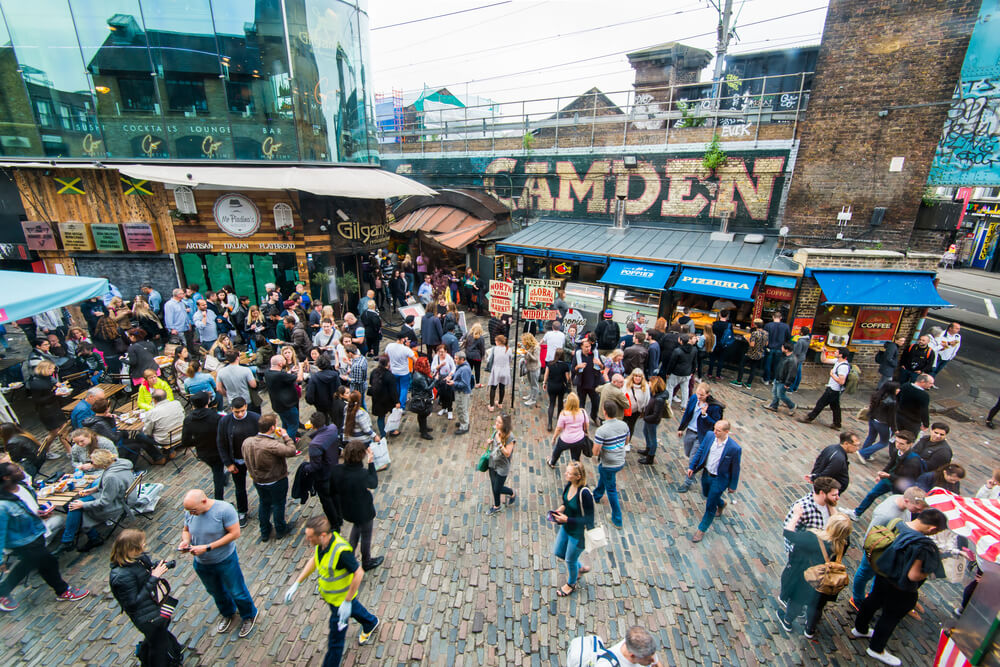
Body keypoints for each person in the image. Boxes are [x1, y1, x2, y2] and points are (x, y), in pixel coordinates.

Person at [850, 508, 949, 667]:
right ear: (932, 529)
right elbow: (913, 576)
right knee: (890, 617)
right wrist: (928, 571)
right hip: (901, 587)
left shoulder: (897, 524)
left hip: (883, 575)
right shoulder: (923, 547)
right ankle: (876, 649)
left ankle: (860, 629)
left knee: (873, 601)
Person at [283, 515, 380, 666]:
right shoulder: (321, 544)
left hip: (340, 602)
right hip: (334, 599)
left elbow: (359, 573)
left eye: (309, 537)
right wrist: (297, 582)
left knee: (335, 642)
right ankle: (370, 622)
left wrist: (346, 602)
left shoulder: (341, 552)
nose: (307, 540)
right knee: (354, 609)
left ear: (322, 535)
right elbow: (315, 560)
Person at [0, 462, 90, 611]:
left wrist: (42, 514)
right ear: (6, 477)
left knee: (31, 565)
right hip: (22, 542)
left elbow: (30, 509)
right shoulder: (2, 505)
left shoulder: (23, 487)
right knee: (49, 562)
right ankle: (63, 590)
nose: (20, 470)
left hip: (37, 532)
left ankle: (3, 591)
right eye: (16, 470)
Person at [180, 489, 258, 638]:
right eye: (188, 511)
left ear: (203, 501)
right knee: (215, 592)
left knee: (237, 591)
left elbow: (235, 534)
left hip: (225, 560)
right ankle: (227, 613)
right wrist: (186, 541)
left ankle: (248, 615)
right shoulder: (190, 512)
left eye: (193, 510)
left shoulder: (224, 510)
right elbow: (186, 530)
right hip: (202, 563)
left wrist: (207, 547)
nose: (191, 513)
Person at [109, 529, 183, 667]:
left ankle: (173, 652)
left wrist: (157, 566)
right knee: (158, 647)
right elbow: (133, 603)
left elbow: (144, 572)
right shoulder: (121, 576)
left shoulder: (137, 559)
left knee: (157, 639)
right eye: (142, 544)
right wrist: (154, 577)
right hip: (147, 618)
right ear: (132, 549)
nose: (145, 546)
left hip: (154, 608)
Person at [848, 486, 928, 610]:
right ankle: (857, 600)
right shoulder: (886, 515)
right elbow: (871, 535)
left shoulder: (900, 501)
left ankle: (873, 596)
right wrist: (870, 554)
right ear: (907, 501)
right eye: (916, 508)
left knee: (879, 576)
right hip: (877, 550)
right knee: (864, 573)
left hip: (888, 550)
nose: (917, 512)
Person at [777, 507, 852, 637]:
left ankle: (787, 621)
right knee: (817, 606)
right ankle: (809, 629)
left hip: (808, 579)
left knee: (797, 601)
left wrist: (796, 515)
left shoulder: (813, 538)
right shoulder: (844, 541)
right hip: (826, 581)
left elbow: (788, 533)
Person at [53, 449, 134, 555]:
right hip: (115, 496)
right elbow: (108, 485)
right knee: (75, 505)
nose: (90, 464)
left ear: (101, 463)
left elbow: (105, 501)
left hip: (116, 503)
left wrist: (83, 505)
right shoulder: (119, 463)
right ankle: (76, 539)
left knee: (76, 507)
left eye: (92, 462)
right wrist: (93, 489)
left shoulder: (111, 476)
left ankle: (72, 540)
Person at [778, 477, 841, 603]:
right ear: (822, 493)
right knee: (792, 575)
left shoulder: (830, 505)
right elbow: (789, 530)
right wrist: (791, 551)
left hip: (818, 552)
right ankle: (785, 596)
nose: (837, 497)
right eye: (834, 494)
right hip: (802, 552)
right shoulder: (803, 507)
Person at [242, 413, 298, 541]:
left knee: (264, 504)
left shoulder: (247, 442)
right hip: (275, 480)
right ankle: (280, 528)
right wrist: (286, 436)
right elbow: (291, 451)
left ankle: (265, 531)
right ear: (272, 428)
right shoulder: (271, 445)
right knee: (278, 504)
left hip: (258, 480)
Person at [330, 440, 384, 571]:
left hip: (347, 509)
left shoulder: (336, 470)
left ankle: (348, 557)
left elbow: (332, 491)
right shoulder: (362, 474)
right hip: (363, 510)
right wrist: (371, 462)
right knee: (366, 535)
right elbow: (373, 483)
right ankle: (366, 561)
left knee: (356, 529)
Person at [846, 430, 923, 520]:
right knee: (872, 494)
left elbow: (907, 480)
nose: (897, 445)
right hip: (889, 479)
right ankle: (857, 513)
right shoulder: (896, 451)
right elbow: (890, 464)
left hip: (901, 486)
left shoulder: (914, 460)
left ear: (910, 444)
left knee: (899, 505)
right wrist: (882, 474)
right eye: (896, 442)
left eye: (901, 444)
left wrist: (888, 476)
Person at [686, 420, 742, 542]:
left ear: (726, 432)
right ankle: (721, 503)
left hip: (719, 479)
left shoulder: (734, 448)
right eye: (715, 428)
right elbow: (701, 451)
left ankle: (701, 530)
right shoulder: (710, 436)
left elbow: (736, 468)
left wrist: (733, 485)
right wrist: (692, 467)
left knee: (710, 505)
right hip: (706, 474)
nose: (715, 431)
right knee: (706, 494)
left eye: (718, 430)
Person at [552, 461, 595, 598]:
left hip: (578, 534)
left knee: (570, 560)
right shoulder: (569, 485)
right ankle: (580, 567)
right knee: (559, 551)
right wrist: (560, 509)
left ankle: (571, 584)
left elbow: (589, 519)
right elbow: (566, 503)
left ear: (577, 476)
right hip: (566, 528)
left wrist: (567, 519)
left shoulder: (585, 494)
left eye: (569, 473)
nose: (565, 474)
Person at [217, 398, 259, 528]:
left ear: (246, 406)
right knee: (239, 488)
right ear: (231, 410)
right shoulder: (225, 421)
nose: (240, 414)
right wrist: (228, 463)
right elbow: (221, 443)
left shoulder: (255, 418)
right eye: (236, 412)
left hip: (253, 459)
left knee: (260, 484)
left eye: (242, 411)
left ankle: (267, 506)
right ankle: (242, 511)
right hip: (236, 460)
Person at [179, 391, 224, 499]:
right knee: (218, 475)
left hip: (203, 452)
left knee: (217, 471)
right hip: (217, 451)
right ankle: (219, 500)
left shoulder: (189, 419)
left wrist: (198, 441)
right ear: (207, 402)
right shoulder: (216, 417)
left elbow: (185, 441)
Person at [799, 347, 850, 430]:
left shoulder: (843, 367)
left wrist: (832, 375)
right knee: (835, 407)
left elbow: (841, 381)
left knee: (821, 403)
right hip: (833, 389)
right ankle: (837, 423)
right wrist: (823, 352)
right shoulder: (837, 361)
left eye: (836, 352)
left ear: (841, 354)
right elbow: (824, 360)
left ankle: (810, 417)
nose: (834, 352)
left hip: (834, 389)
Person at [264, 354, 305, 439]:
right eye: (284, 360)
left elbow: (282, 377)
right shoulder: (280, 375)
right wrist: (301, 367)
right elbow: (299, 378)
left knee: (285, 423)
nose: (285, 361)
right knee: (293, 425)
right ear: (279, 364)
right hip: (287, 405)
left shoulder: (268, 372)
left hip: (278, 405)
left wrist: (290, 372)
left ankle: (287, 437)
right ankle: (289, 444)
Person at [858, 382, 900, 463]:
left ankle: (865, 454)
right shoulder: (892, 401)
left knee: (871, 437)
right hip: (882, 423)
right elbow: (892, 417)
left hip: (873, 419)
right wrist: (895, 429)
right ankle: (863, 453)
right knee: (884, 442)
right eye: (897, 388)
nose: (898, 390)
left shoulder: (877, 395)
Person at [485, 413, 517, 516]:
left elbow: (507, 453)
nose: (496, 423)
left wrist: (498, 442)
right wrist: (490, 441)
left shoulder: (510, 437)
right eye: (496, 421)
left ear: (505, 425)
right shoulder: (496, 430)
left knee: (497, 488)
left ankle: (511, 493)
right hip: (492, 463)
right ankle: (497, 506)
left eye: (499, 422)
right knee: (494, 486)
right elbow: (494, 445)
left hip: (502, 467)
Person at [548, 392, 589, 467]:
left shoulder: (564, 414)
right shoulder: (583, 412)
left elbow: (558, 428)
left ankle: (552, 462)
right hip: (579, 439)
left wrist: (554, 438)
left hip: (566, 439)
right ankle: (575, 467)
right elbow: (586, 425)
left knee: (557, 451)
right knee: (576, 456)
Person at [637, 376, 668, 465]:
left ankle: (650, 456)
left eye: (650, 382)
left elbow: (656, 414)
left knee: (652, 437)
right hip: (649, 419)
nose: (648, 384)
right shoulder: (656, 394)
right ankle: (648, 449)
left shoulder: (659, 399)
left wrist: (645, 418)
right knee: (646, 432)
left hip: (652, 420)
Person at [367, 355, 399, 438]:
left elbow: (371, 383)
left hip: (377, 398)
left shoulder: (374, 372)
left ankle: (383, 434)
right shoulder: (389, 375)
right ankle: (392, 430)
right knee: (392, 416)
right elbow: (393, 391)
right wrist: (397, 401)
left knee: (381, 417)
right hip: (388, 399)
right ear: (388, 363)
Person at [574, 339, 605, 422]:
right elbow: (573, 370)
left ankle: (593, 416)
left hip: (594, 384)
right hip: (582, 384)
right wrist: (578, 367)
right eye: (586, 347)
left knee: (596, 402)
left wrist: (600, 364)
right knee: (581, 404)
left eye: (590, 346)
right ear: (581, 347)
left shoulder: (595, 355)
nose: (588, 348)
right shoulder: (578, 356)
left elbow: (603, 367)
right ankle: (581, 420)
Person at [731, 319, 768, 388]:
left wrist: (748, 339)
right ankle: (749, 384)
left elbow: (752, 345)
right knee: (753, 368)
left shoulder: (755, 333)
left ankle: (739, 381)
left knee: (742, 365)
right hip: (759, 354)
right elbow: (766, 343)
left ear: (756, 325)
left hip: (751, 353)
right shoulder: (766, 333)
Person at [663, 333, 697, 405]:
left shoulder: (677, 351)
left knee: (670, 388)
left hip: (676, 372)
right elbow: (694, 362)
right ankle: (684, 405)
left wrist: (668, 373)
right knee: (685, 390)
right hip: (687, 372)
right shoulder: (694, 350)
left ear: (680, 341)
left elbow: (672, 363)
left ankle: (668, 404)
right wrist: (692, 372)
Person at [543, 348, 571, 432]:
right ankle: (559, 421)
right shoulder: (565, 365)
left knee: (551, 403)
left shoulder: (550, 364)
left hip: (551, 386)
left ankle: (550, 423)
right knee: (560, 404)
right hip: (560, 386)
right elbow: (567, 378)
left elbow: (546, 374)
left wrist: (544, 383)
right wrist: (569, 385)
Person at [764, 342, 797, 413]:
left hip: (783, 380)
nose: (781, 348)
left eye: (782, 347)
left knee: (781, 395)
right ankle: (774, 406)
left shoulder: (792, 360)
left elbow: (792, 373)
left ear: (787, 350)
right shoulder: (784, 355)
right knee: (775, 392)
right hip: (778, 377)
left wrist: (788, 383)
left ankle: (792, 405)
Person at [385, 334, 416, 408]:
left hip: (394, 371)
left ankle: (397, 402)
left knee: (397, 387)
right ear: (402, 339)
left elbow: (386, 356)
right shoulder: (405, 349)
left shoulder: (389, 346)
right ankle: (402, 406)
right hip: (404, 372)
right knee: (404, 388)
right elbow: (415, 359)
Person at [409, 356, 435, 440]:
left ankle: (423, 428)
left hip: (421, 396)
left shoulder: (419, 373)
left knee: (422, 415)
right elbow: (427, 388)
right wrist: (436, 380)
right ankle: (423, 432)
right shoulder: (419, 377)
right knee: (423, 414)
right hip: (421, 398)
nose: (429, 365)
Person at [763, 312, 791, 385]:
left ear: (773, 317)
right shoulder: (786, 326)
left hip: (769, 347)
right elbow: (788, 338)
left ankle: (766, 379)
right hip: (780, 348)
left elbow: (764, 337)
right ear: (780, 317)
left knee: (767, 364)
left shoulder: (768, 325)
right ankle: (774, 379)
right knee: (777, 365)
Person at [486, 335, 513, 412]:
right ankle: (500, 403)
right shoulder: (509, 349)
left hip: (496, 370)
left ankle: (491, 406)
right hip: (505, 370)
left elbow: (488, 359)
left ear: (498, 342)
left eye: (496, 341)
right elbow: (510, 359)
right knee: (502, 387)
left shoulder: (494, 349)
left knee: (493, 388)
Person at [164, 289, 195, 353]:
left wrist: (189, 323)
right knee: (183, 345)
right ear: (177, 295)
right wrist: (172, 328)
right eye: (182, 293)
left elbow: (184, 314)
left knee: (189, 343)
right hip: (178, 329)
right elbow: (168, 317)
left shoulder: (182, 303)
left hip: (186, 327)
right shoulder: (169, 304)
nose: (184, 294)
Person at [450, 352, 473, 435]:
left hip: (462, 393)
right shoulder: (460, 366)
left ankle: (464, 426)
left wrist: (454, 383)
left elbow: (465, 384)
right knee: (460, 408)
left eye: (456, 359)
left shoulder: (465, 369)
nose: (454, 360)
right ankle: (462, 421)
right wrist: (451, 377)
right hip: (459, 391)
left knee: (463, 409)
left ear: (462, 359)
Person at [622, 368, 650, 437]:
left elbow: (647, 400)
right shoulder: (625, 383)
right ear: (632, 376)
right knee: (622, 426)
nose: (637, 378)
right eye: (636, 376)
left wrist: (643, 411)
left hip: (635, 412)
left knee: (631, 426)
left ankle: (627, 442)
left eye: (639, 376)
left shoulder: (645, 387)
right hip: (624, 410)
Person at [431, 345, 456, 419]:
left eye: (442, 352)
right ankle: (443, 408)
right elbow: (433, 368)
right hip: (440, 378)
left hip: (447, 378)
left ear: (446, 351)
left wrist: (450, 375)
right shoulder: (436, 357)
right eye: (439, 352)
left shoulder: (448, 358)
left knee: (449, 395)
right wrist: (440, 365)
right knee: (442, 394)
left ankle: (450, 410)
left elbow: (453, 368)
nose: (440, 353)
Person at [707, 311, 733, 380]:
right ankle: (718, 375)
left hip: (714, 343)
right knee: (721, 360)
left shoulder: (714, 323)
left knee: (712, 359)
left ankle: (709, 373)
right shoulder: (729, 325)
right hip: (723, 344)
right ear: (727, 316)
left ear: (719, 315)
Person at [463, 323, 486, 387]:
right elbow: (482, 348)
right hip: (477, 356)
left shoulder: (468, 335)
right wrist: (482, 355)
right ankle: (477, 383)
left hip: (468, 355)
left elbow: (462, 339)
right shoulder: (481, 338)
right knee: (477, 370)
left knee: (469, 369)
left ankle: (467, 381)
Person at [521, 333, 541, 407]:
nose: (522, 342)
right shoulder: (528, 346)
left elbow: (535, 359)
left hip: (534, 368)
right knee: (531, 382)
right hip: (529, 367)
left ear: (528, 340)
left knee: (534, 384)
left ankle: (533, 399)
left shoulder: (536, 347)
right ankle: (531, 395)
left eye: (523, 340)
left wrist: (527, 353)